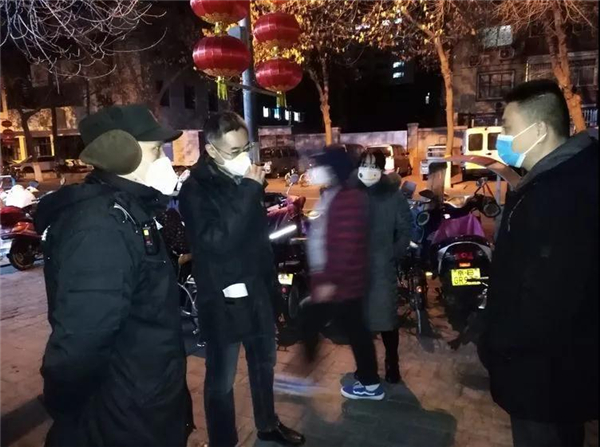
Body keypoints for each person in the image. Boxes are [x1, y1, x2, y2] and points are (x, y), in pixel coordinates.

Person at [34, 104, 193, 446]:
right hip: (121, 419)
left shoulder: (132, 211)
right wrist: (66, 408)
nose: (165, 160)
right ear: (121, 153)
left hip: (146, 403)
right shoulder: (100, 227)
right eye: (155, 150)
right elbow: (79, 344)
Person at [478, 80, 598, 447]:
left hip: (546, 373)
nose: (502, 138)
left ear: (540, 130)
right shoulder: (553, 179)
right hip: (547, 369)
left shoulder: (563, 194)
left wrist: (498, 342)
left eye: (508, 128)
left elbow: (549, 296)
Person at [178, 112, 305, 447]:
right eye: (234, 151)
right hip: (224, 298)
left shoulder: (243, 178)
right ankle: (223, 440)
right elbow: (215, 242)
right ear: (212, 150)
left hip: (258, 288)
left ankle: (267, 424)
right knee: (221, 377)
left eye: (246, 147)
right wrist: (249, 189)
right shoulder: (195, 189)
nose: (243, 156)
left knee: (264, 363)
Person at [303, 145, 384, 401]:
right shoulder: (337, 194)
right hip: (344, 281)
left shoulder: (348, 199)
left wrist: (329, 281)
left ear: (333, 169)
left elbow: (345, 246)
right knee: (356, 330)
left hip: (341, 282)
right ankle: (368, 380)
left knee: (314, 321)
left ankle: (304, 377)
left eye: (320, 166)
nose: (314, 170)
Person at [352, 149, 413, 384]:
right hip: (355, 271)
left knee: (386, 319)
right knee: (360, 323)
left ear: (381, 169)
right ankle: (366, 367)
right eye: (364, 164)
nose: (368, 170)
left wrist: (391, 254)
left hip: (381, 269)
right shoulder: (352, 194)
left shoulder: (392, 196)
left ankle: (392, 363)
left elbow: (405, 230)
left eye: (373, 166)